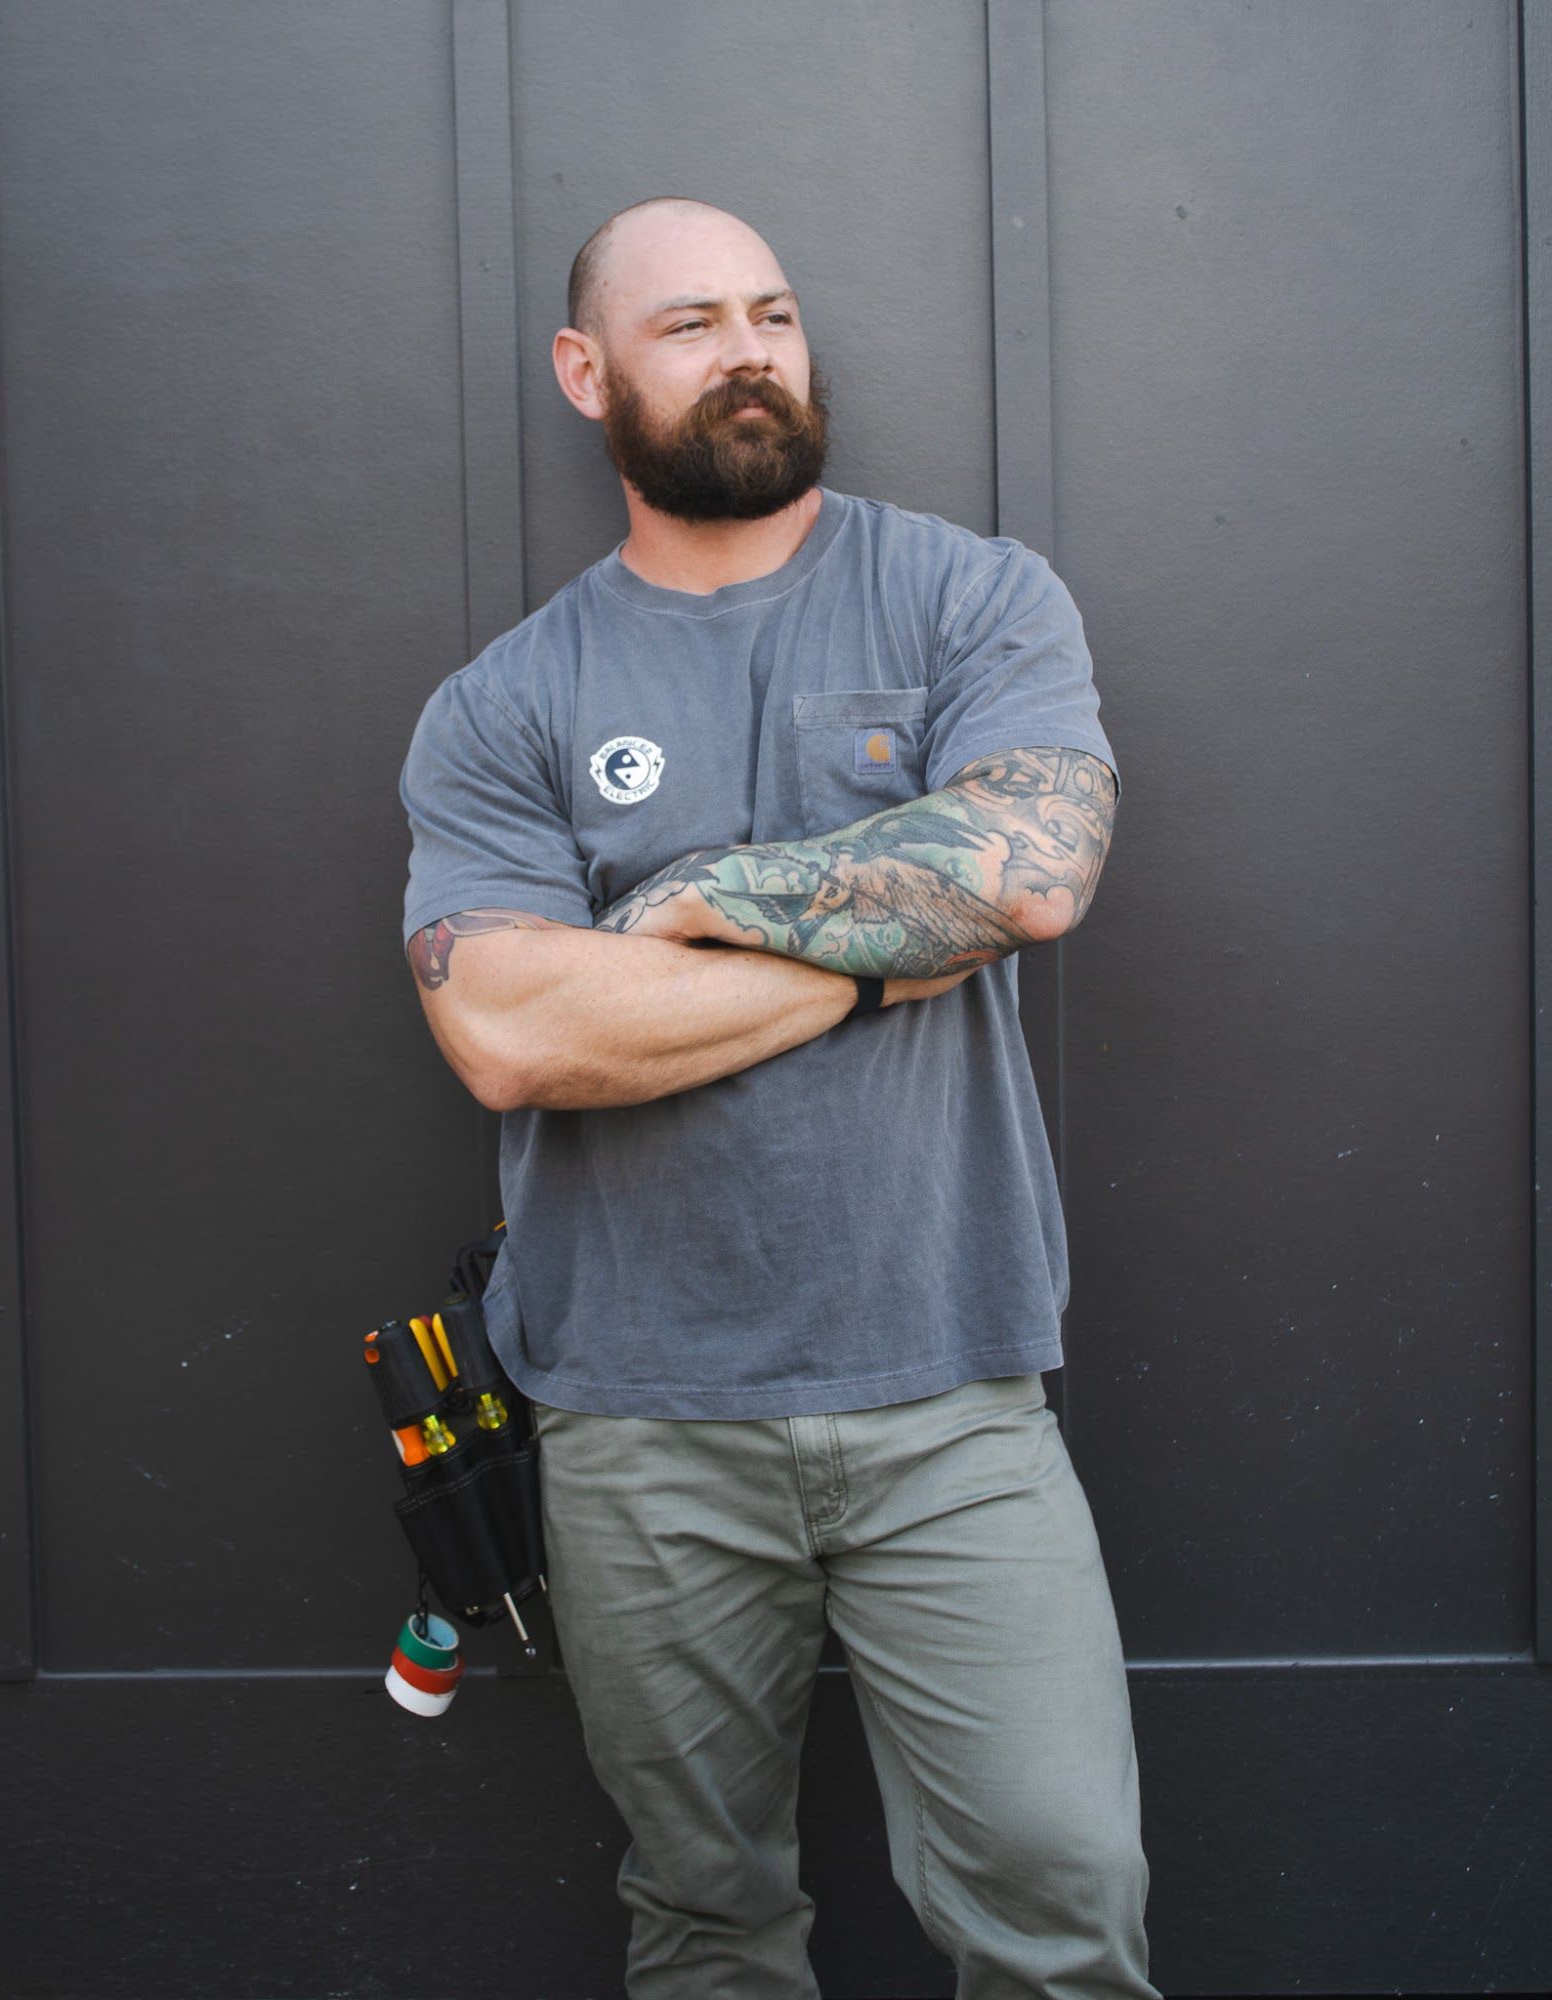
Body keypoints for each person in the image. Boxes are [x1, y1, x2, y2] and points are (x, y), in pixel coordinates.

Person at [399, 194, 1159, 2000]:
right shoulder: (507, 702)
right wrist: (895, 925)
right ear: (589, 375)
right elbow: (508, 1032)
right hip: (637, 1424)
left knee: (1062, 1908)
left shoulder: (973, 593)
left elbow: (1031, 875)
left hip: (953, 1394)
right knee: (709, 1928)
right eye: (691, 324)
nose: (750, 350)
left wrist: (671, 911)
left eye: (774, 312)